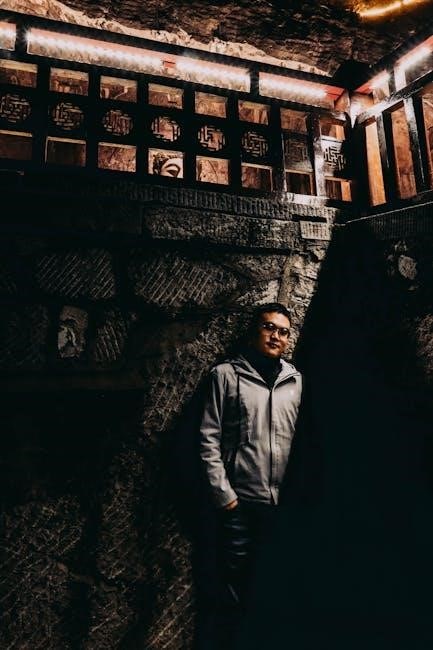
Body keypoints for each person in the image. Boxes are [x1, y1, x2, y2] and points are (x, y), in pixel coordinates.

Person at [199, 302, 303, 647]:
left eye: (283, 331)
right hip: (240, 507)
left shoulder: (296, 381)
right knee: (233, 596)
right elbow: (208, 438)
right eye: (268, 327)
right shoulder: (226, 376)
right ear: (253, 331)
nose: (276, 336)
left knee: (276, 592)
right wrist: (225, 498)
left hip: (282, 510)